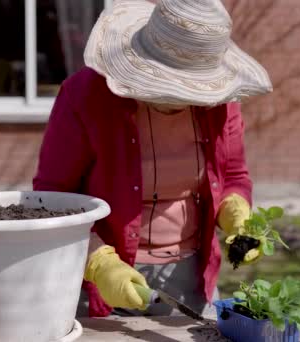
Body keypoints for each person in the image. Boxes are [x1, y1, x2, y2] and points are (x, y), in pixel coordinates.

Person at [33, 0, 272, 318]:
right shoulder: (85, 96)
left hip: (191, 274)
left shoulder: (220, 102)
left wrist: (238, 217)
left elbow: (233, 176)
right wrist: (100, 264)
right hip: (104, 280)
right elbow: (52, 200)